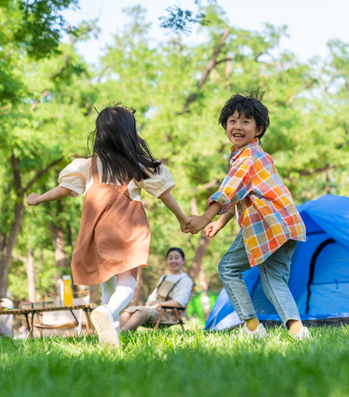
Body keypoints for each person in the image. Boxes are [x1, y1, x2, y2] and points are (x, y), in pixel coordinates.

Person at [27, 105, 191, 349]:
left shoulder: (88, 166)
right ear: (129, 134)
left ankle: (111, 340)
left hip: (98, 230)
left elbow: (64, 189)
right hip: (128, 228)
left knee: (108, 282)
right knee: (128, 282)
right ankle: (107, 310)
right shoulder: (137, 164)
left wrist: (39, 198)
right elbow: (163, 193)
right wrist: (182, 218)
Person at [187, 89, 311, 340]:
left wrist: (203, 219)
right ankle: (298, 332)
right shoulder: (256, 156)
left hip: (267, 226)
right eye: (232, 121)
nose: (238, 126)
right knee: (273, 280)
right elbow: (242, 195)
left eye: (246, 121)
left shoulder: (248, 157)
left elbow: (228, 192)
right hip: (285, 225)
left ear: (259, 129)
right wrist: (221, 222)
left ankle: (253, 328)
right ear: (225, 126)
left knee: (229, 268)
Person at [121, 247, 194, 331]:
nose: (173, 261)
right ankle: (114, 333)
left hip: (168, 314)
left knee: (140, 312)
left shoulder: (185, 280)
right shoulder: (164, 277)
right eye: (170, 258)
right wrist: (148, 304)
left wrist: (158, 305)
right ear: (167, 260)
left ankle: (121, 334)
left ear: (183, 260)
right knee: (128, 311)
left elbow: (180, 301)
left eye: (176, 258)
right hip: (154, 309)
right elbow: (154, 295)